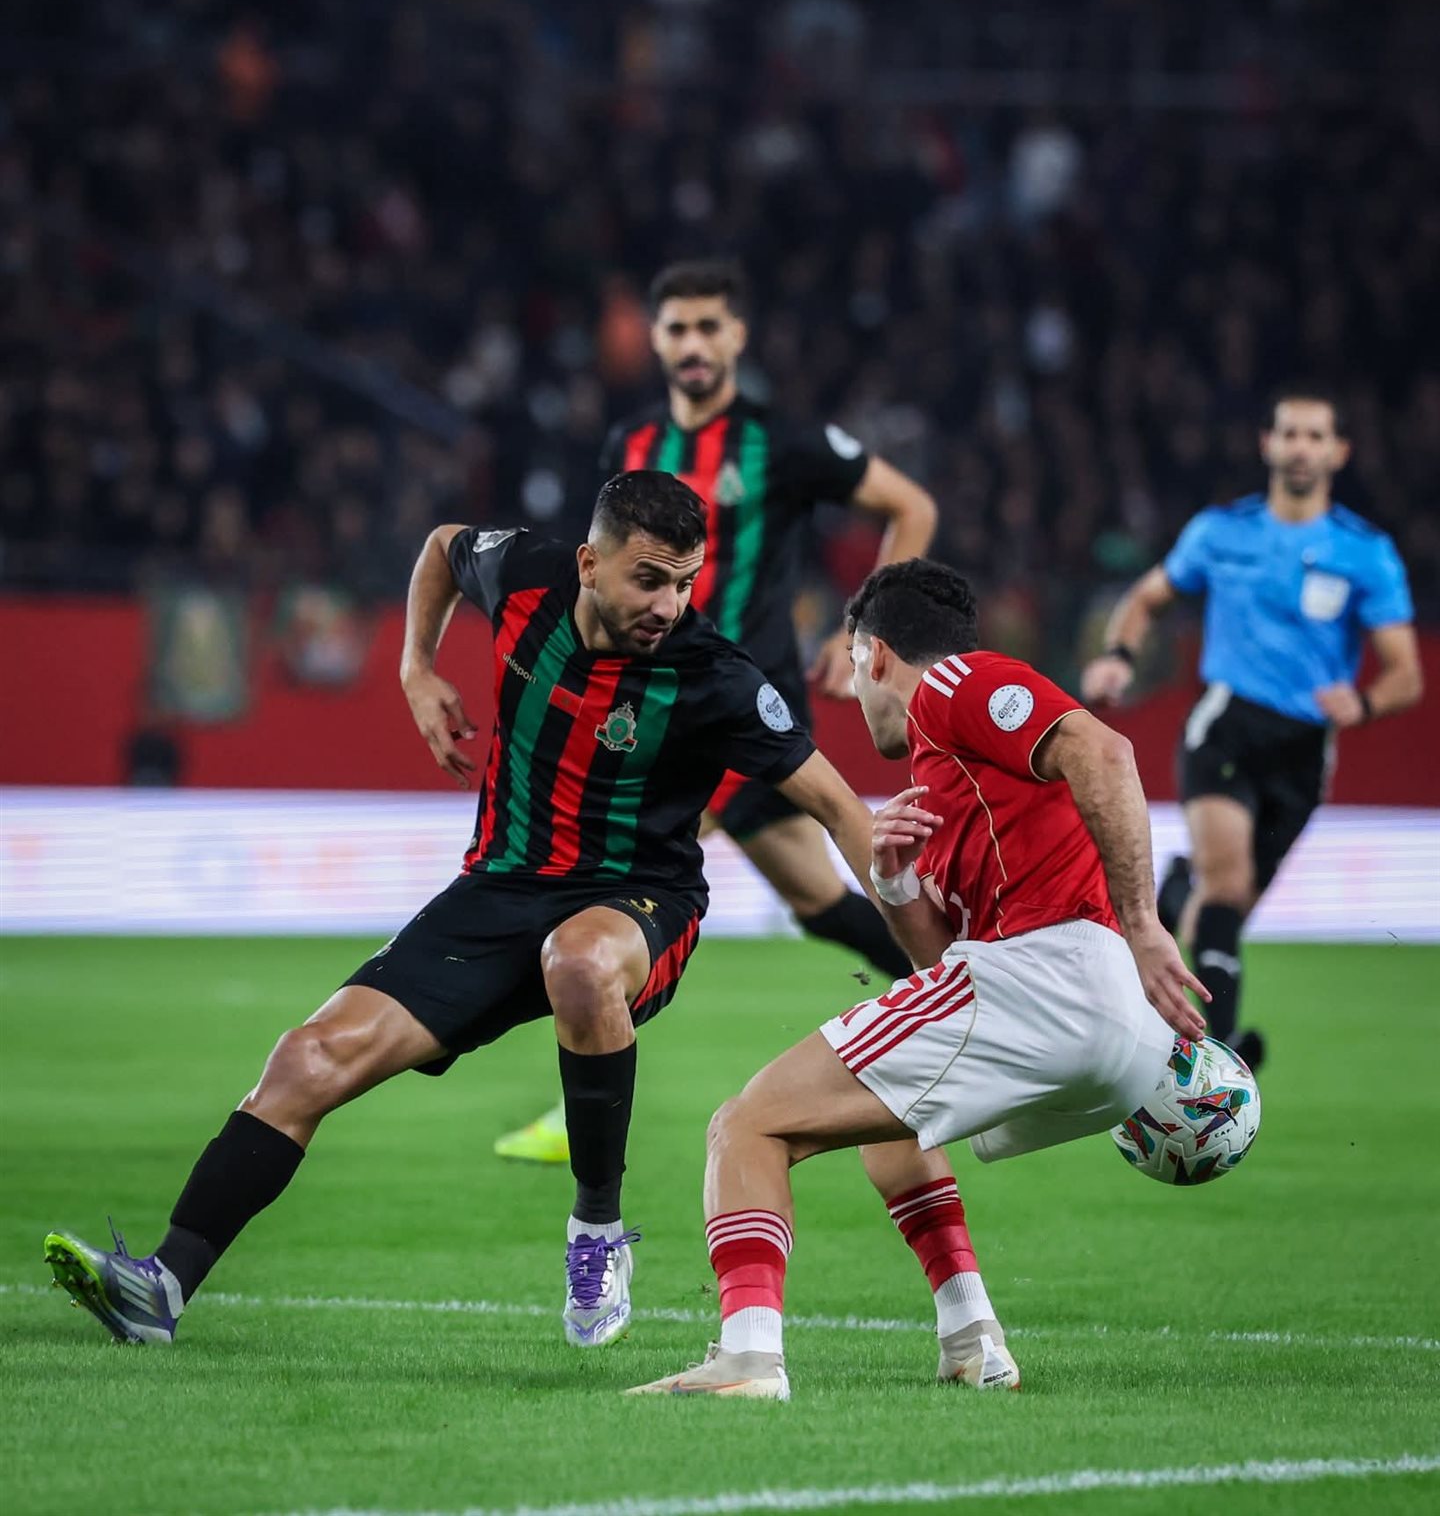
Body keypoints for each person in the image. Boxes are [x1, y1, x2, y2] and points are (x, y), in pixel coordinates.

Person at [44, 472, 890, 1352]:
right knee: (307, 1058)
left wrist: (931, 953)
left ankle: (596, 1229)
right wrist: (417, 666)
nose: (670, 605)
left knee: (579, 961)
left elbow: (839, 807)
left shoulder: (713, 677)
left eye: (686, 581)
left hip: (638, 900)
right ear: (588, 564)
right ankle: (163, 1287)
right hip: (496, 891)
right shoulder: (523, 576)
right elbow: (442, 546)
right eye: (650, 579)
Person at [628, 558, 1207, 1400]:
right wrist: (894, 877)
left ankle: (747, 1359)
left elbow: (1105, 751)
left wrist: (1145, 924)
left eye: (853, 668)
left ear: (873, 654)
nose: (854, 696)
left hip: (1060, 974)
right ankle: (973, 1337)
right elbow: (938, 968)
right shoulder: (952, 783)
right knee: (898, 1125)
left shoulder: (954, 686)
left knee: (745, 1127)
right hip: (1104, 1031)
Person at [496, 257, 938, 1163]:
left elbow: (911, 507)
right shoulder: (629, 442)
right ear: (655, 340)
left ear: (737, 336)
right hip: (653, 704)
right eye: (677, 329)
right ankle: (973, 995)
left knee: (609, 872)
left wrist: (862, 629)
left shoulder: (782, 439)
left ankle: (573, 1099)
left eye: (709, 328)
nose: (693, 345)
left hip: (733, 705)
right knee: (818, 901)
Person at [1080, 387, 1422, 1069]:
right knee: (1230, 886)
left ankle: (1176, 896)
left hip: (1303, 750)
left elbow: (1405, 673)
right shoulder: (1221, 531)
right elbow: (1147, 597)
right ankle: (1217, 1048)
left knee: (1227, 906)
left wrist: (1367, 703)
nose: (1300, 447)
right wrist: (1118, 656)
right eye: (1289, 434)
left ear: (1339, 452)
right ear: (1267, 444)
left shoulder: (1365, 553)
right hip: (1227, 724)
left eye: (1315, 436)